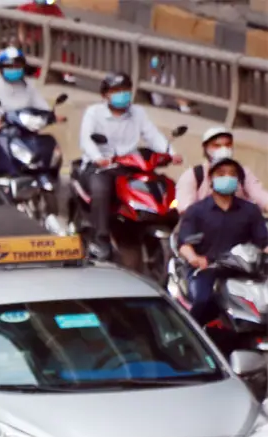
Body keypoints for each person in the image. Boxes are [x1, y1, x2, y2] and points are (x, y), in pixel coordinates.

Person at [79, 71, 174, 258]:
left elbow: (152, 135)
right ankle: (101, 238)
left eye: (125, 90)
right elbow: (86, 140)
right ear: (105, 94)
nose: (122, 94)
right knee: (101, 189)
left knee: (160, 184)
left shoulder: (138, 112)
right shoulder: (94, 113)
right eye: (116, 90)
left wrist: (171, 153)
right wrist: (98, 157)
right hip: (101, 166)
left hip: (130, 164)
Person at [177, 157, 268, 327]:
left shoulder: (250, 211)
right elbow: (184, 243)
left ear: (239, 181)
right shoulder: (197, 211)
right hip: (208, 269)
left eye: (232, 174)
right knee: (203, 300)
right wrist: (194, 258)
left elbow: (263, 242)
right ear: (211, 180)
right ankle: (192, 336)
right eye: (221, 174)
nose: (227, 177)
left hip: (244, 270)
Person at [176, 127, 268, 212]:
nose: (223, 149)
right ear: (205, 148)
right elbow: (185, 207)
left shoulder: (243, 173)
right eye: (216, 146)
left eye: (228, 145)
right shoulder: (193, 175)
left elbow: (259, 194)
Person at [0, 45, 46, 123]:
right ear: (1, 69)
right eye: (9, 66)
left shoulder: (29, 87)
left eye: (17, 66)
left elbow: (43, 108)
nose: (13, 69)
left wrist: (51, 116)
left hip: (24, 128)